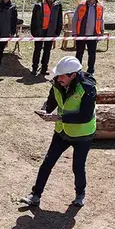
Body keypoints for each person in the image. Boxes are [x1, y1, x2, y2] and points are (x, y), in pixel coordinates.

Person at [21, 56, 97, 208]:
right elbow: (52, 100)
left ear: (73, 75)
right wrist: (44, 110)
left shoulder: (88, 88)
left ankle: (80, 194)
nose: (58, 78)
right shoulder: (57, 82)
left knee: (78, 166)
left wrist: (59, 117)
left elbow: (85, 115)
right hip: (62, 132)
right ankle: (35, 195)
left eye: (62, 75)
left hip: (83, 134)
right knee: (47, 162)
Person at [30, 0, 63, 76]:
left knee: (47, 51)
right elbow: (33, 19)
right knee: (37, 50)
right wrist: (33, 31)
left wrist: (58, 31)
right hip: (39, 31)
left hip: (51, 32)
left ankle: (44, 69)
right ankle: (34, 68)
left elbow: (59, 19)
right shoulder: (38, 4)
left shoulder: (58, 5)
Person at [72, 0, 104, 75]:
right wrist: (74, 32)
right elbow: (75, 19)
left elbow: (101, 19)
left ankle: (90, 71)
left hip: (93, 35)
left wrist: (102, 30)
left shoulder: (100, 7)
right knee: (79, 53)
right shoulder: (81, 5)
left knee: (92, 54)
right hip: (81, 34)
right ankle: (77, 70)